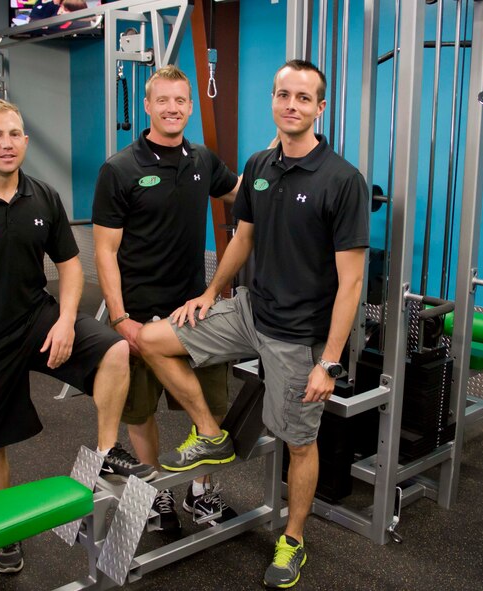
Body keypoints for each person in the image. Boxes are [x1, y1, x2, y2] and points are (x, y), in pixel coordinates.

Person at [137, 60, 369, 589]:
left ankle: (293, 540)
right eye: (283, 95)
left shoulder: (342, 180)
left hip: (297, 335)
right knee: (148, 338)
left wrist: (329, 361)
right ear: (273, 101)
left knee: (299, 443)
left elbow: (351, 283)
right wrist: (210, 291)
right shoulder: (260, 164)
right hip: (248, 308)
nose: (292, 105)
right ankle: (213, 435)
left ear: (320, 108)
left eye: (304, 98)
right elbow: (242, 238)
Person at [0, 99, 154, 576]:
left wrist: (66, 321)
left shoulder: (43, 195)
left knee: (115, 349)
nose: (7, 143)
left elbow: (68, 266)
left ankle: (105, 454)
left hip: (37, 319)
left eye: (15, 134)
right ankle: (5, 531)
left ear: (25, 141)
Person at [93, 65, 241, 533]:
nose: (172, 108)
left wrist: (286, 179)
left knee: (213, 408)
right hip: (139, 312)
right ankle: (155, 492)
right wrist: (119, 318)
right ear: (147, 105)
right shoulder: (120, 169)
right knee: (141, 413)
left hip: (195, 310)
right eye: (163, 100)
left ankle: (201, 493)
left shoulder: (202, 161)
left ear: (190, 106)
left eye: (181, 101)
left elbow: (243, 193)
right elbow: (105, 251)